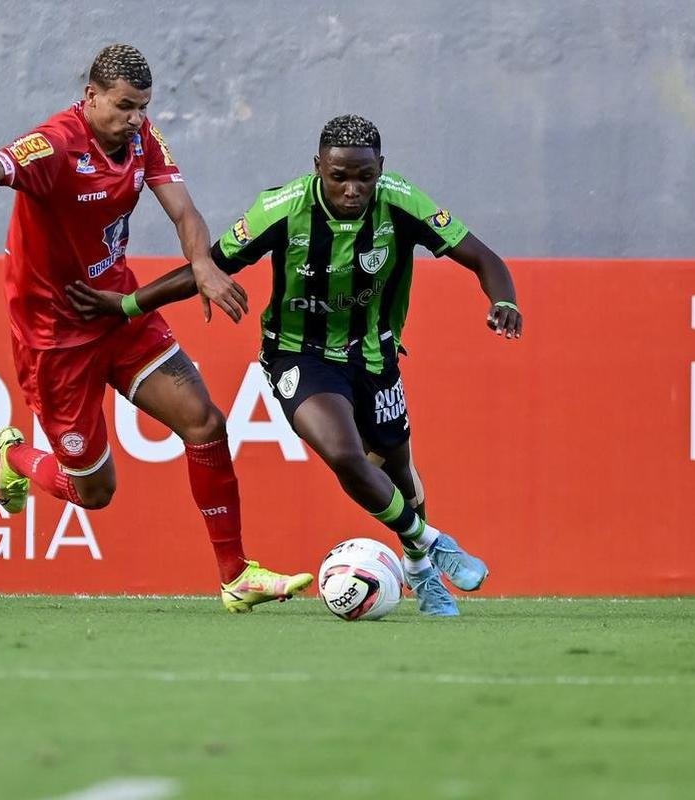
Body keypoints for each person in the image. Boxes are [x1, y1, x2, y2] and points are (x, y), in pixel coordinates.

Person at [0, 44, 312, 613]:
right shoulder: (53, 146)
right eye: (124, 106)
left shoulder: (142, 138)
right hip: (54, 340)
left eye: (143, 107)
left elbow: (184, 211)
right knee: (95, 492)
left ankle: (236, 576)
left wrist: (203, 266)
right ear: (91, 96)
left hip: (116, 313)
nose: (136, 119)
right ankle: (16, 458)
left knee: (205, 422)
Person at [67, 114, 522, 616]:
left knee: (396, 469)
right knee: (344, 453)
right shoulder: (281, 209)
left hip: (376, 354)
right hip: (299, 353)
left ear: (381, 168)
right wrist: (127, 305)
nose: (352, 189)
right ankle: (434, 544)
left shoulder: (401, 201)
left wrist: (504, 300)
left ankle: (418, 566)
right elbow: (209, 266)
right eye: (339, 176)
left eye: (365, 177)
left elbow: (485, 259)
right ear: (318, 167)